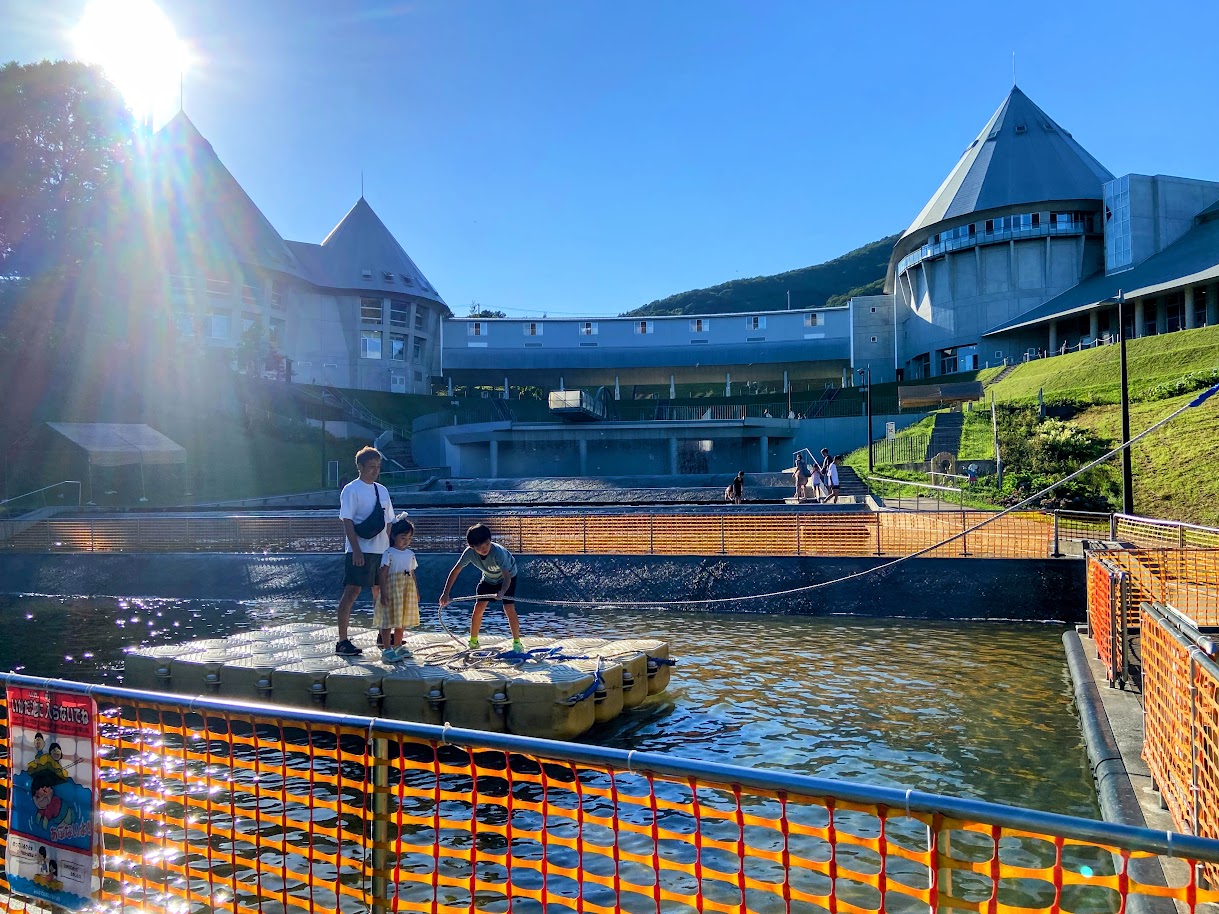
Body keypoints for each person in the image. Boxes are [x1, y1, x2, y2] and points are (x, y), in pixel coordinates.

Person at [336, 446, 394, 656]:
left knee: (380, 592)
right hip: (359, 550)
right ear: (360, 467)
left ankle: (382, 635)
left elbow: (389, 520)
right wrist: (356, 550)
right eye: (371, 466)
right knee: (352, 591)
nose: (375, 470)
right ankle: (342, 641)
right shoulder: (351, 489)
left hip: (380, 550)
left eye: (378, 466)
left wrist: (387, 548)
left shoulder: (382, 490)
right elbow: (347, 521)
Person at [439, 523, 523, 652]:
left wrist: (502, 591)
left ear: (490, 540)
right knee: (478, 607)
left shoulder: (498, 553)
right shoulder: (469, 553)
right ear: (472, 547)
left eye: (486, 544)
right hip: (488, 578)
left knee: (509, 608)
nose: (484, 549)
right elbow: (455, 571)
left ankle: (517, 643)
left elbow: (507, 577)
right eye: (479, 547)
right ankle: (473, 641)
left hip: (508, 578)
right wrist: (446, 593)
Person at [377, 515, 419, 663]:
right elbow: (383, 573)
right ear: (394, 536)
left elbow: (412, 573)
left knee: (402, 619)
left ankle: (398, 646)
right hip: (392, 589)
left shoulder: (410, 554)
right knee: (388, 620)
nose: (406, 541)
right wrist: (383, 593)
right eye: (403, 537)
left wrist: (416, 591)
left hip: (406, 589)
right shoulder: (389, 553)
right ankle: (387, 649)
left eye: (409, 538)